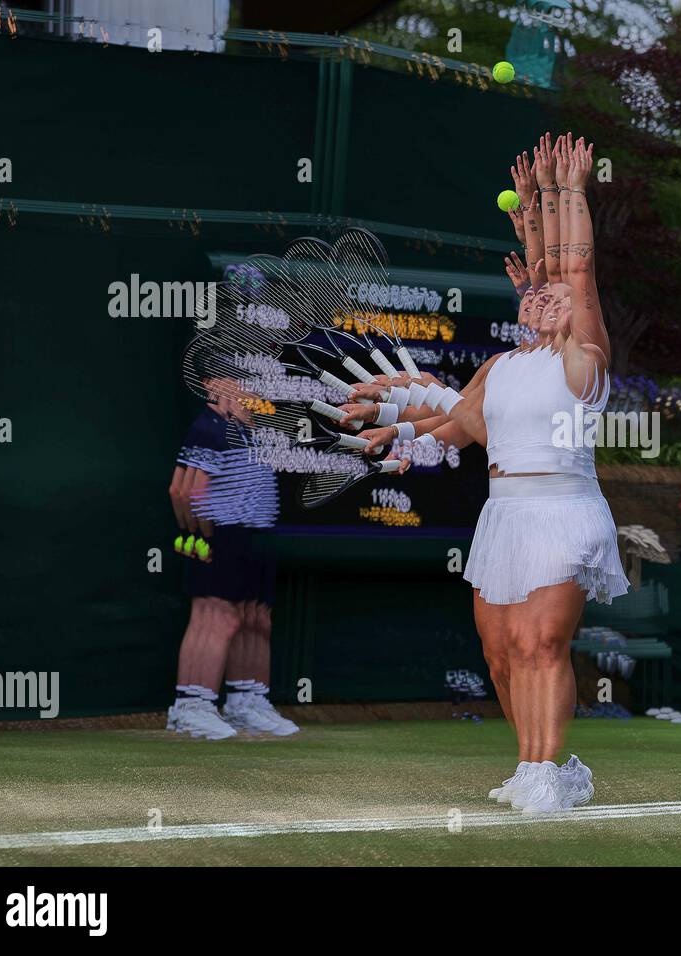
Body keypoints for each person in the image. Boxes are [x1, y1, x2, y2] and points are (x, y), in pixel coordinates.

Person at [360, 134, 627, 813]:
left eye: (552, 297)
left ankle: (542, 772)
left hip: (563, 510)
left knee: (540, 643)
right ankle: (546, 766)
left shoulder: (585, 359)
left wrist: (566, 193)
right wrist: (397, 423)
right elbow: (458, 423)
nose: (539, 298)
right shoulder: (501, 368)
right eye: (531, 295)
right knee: (502, 654)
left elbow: (576, 272)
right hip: (503, 514)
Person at [166, 390, 298, 739]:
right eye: (240, 380)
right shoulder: (209, 427)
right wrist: (200, 535)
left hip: (256, 534)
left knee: (255, 618)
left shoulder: (253, 430)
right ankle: (190, 706)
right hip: (222, 534)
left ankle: (246, 702)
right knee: (215, 618)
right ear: (212, 385)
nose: (251, 390)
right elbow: (184, 491)